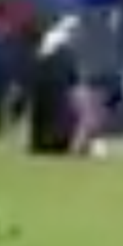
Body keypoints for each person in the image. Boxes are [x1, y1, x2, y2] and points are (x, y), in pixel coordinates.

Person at [27, 19, 79, 155]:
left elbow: (39, 59)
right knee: (58, 116)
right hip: (55, 84)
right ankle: (57, 145)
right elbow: (71, 71)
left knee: (42, 116)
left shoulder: (52, 38)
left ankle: (39, 144)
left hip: (44, 83)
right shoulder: (64, 43)